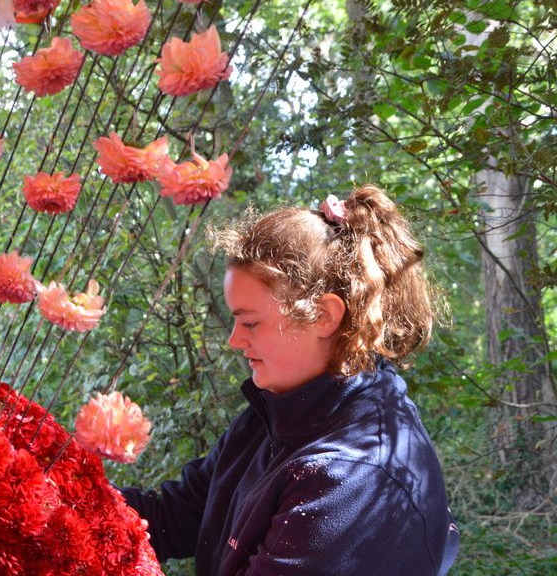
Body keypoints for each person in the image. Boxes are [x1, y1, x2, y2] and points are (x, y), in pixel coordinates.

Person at [121, 185, 460, 575]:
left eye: (250, 322)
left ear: (324, 316)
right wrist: (56, 490)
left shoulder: (351, 477)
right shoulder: (277, 410)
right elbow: (172, 516)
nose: (234, 340)